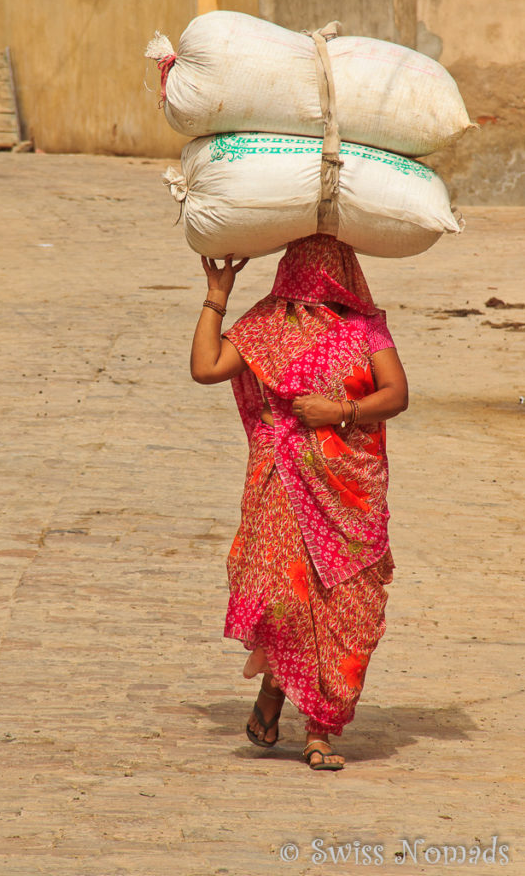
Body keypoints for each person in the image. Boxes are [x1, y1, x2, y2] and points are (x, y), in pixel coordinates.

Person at [190, 234, 408, 771]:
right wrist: (217, 294)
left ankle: (321, 727)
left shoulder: (365, 326)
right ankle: (280, 694)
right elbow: (206, 367)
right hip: (282, 479)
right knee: (285, 596)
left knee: (347, 610)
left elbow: (396, 395)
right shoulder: (268, 322)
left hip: (350, 491)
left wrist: (340, 412)